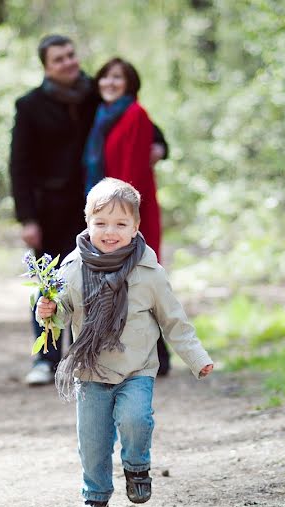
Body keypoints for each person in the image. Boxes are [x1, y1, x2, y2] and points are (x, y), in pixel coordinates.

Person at [35, 177, 213, 507]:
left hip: (136, 368)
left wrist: (197, 359)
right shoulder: (72, 270)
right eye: (100, 223)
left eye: (120, 223)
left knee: (136, 420)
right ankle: (96, 494)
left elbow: (174, 320)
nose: (109, 231)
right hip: (90, 370)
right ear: (87, 223)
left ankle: (136, 466)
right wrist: (49, 312)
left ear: (136, 227)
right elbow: (61, 316)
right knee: (93, 441)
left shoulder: (149, 272)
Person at [10, 36, 168, 386]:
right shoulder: (30, 105)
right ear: (46, 66)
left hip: (97, 210)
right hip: (51, 208)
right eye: (58, 59)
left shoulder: (93, 94)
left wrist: (160, 144)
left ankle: (95, 355)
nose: (68, 63)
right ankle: (46, 359)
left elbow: (139, 118)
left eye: (70, 55)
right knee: (51, 282)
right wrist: (28, 217)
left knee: (99, 281)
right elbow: (19, 165)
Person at [83, 57, 172, 375]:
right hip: (111, 212)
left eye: (117, 77)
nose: (109, 83)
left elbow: (132, 171)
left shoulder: (134, 114)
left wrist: (119, 218)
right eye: (105, 77)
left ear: (130, 83)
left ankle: (156, 357)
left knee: (140, 278)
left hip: (129, 212)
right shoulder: (103, 115)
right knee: (120, 281)